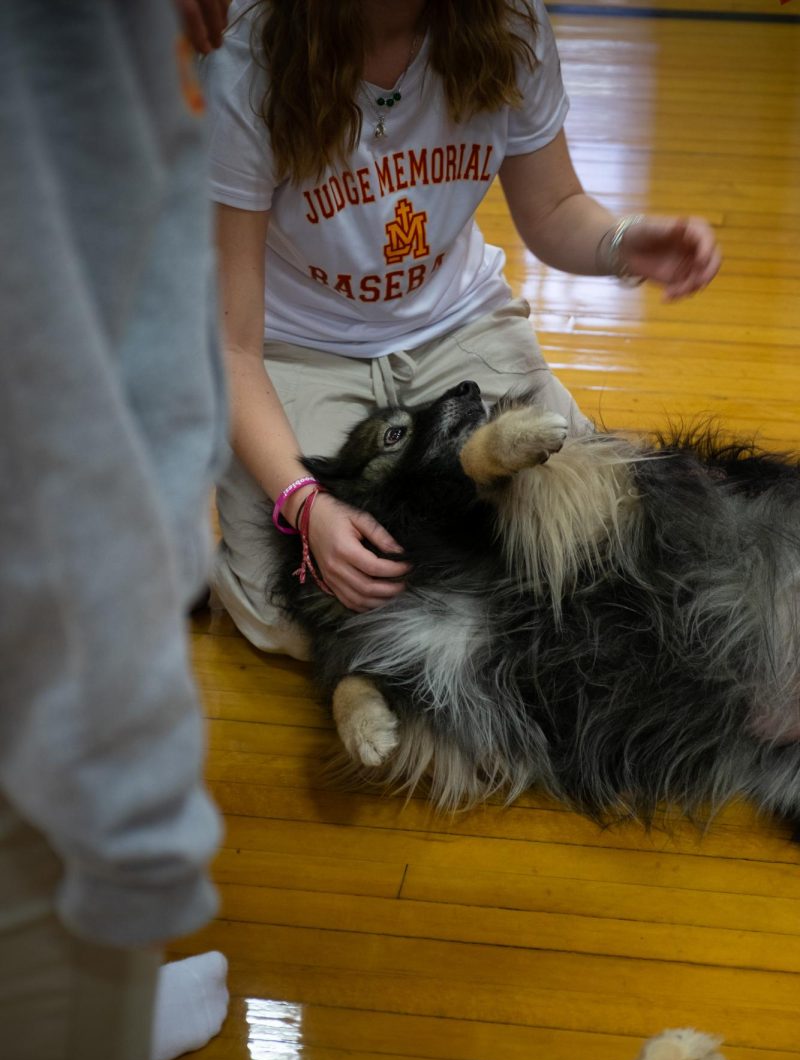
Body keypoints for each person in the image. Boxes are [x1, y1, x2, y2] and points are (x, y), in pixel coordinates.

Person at [200, 0, 721, 655]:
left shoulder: (509, 19)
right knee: (309, 616)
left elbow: (555, 207)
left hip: (458, 326)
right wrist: (307, 504)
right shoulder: (250, 51)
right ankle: (218, 559)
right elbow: (230, 345)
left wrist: (621, 242)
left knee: (596, 531)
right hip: (296, 352)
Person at [0, 1, 231, 1060]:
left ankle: (108, 996)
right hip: (47, 706)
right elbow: (49, 444)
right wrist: (138, 828)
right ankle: (98, 993)